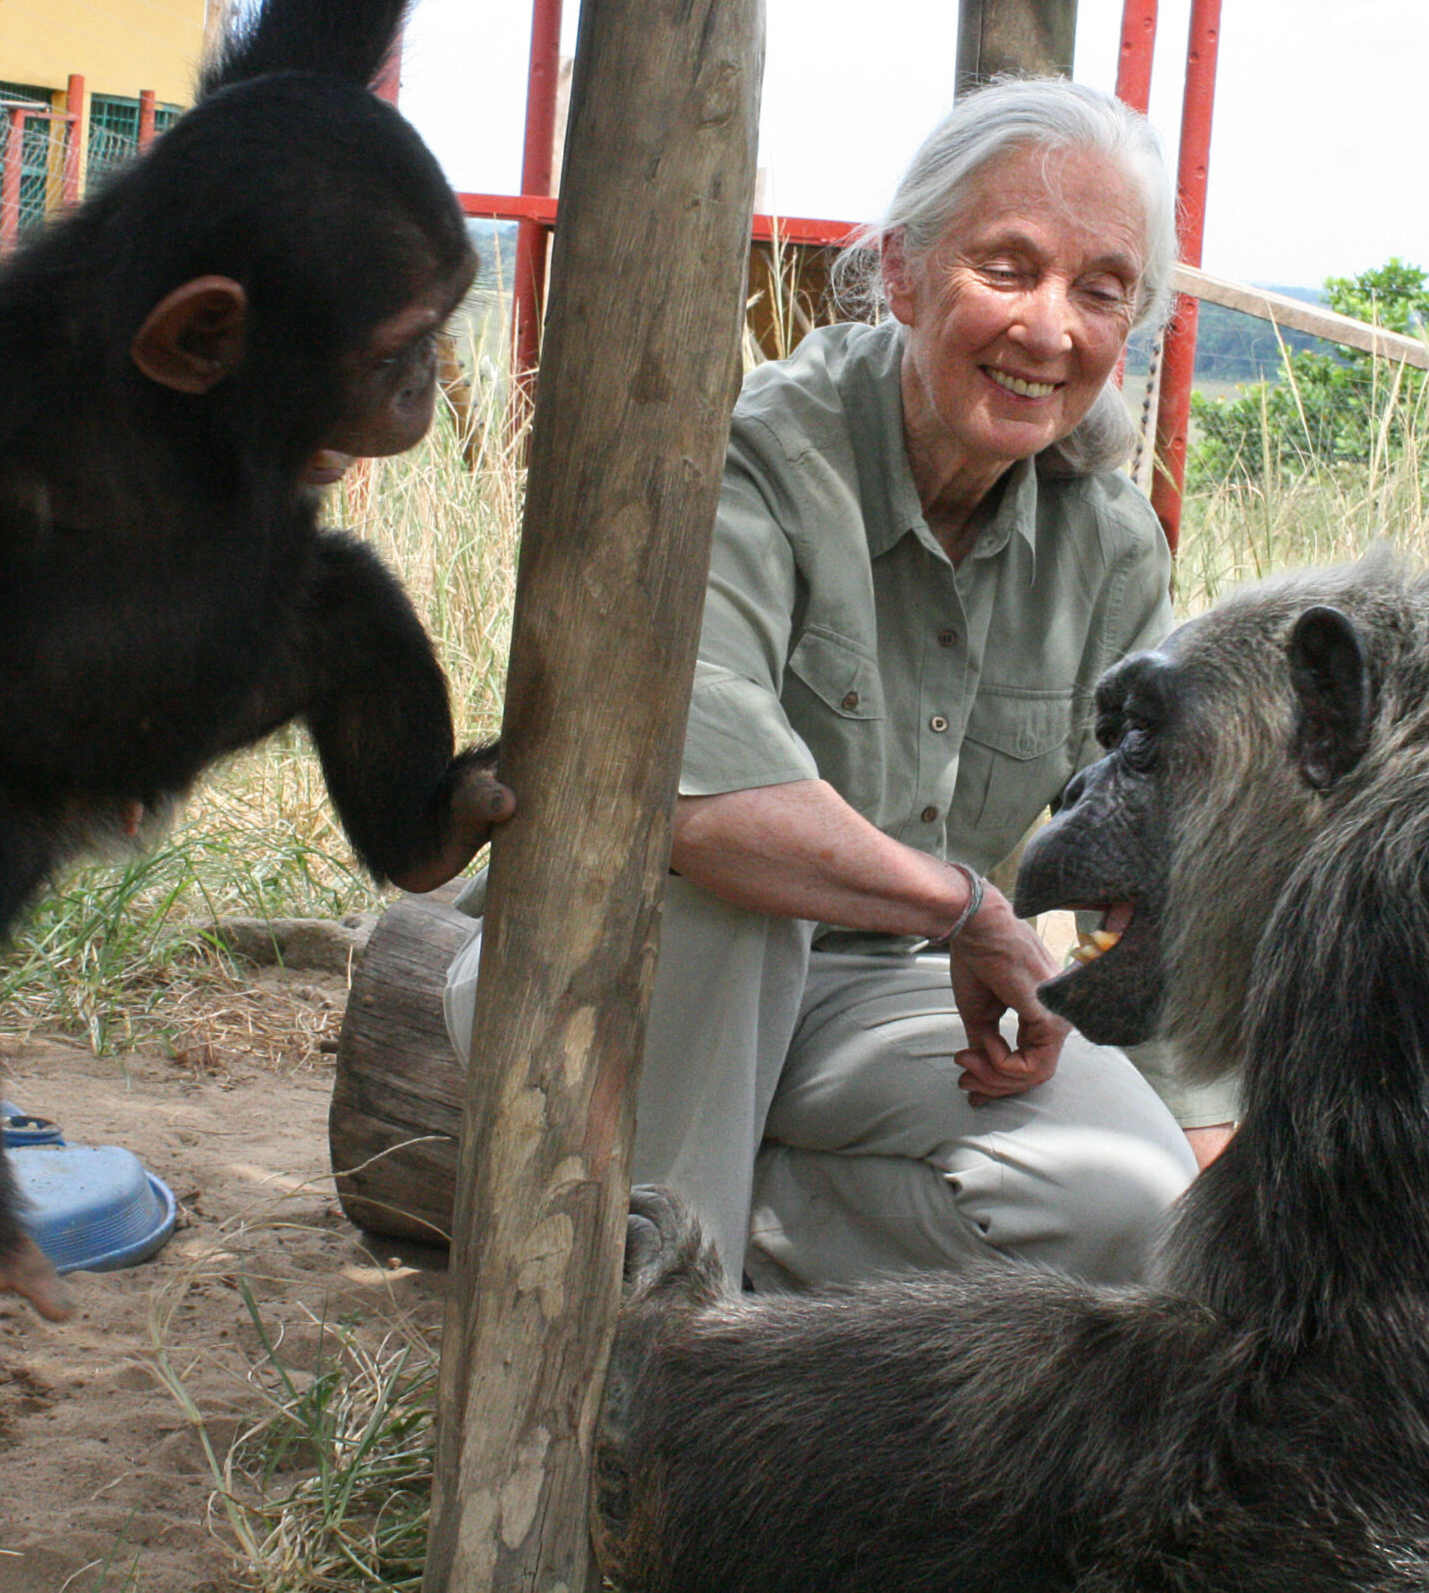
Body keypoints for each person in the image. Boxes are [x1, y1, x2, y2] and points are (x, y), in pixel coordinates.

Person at [445, 78, 1232, 1290]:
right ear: (902, 272)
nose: (1049, 330)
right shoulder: (753, 456)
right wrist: (969, 909)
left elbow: (1145, 866)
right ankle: (650, 1340)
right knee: (734, 883)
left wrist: (1205, 1163)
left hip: (881, 999)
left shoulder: (1110, 543)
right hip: (625, 979)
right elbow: (700, 802)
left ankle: (695, 1230)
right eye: (1007, 268)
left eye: (1100, 289)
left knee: (1124, 1210)